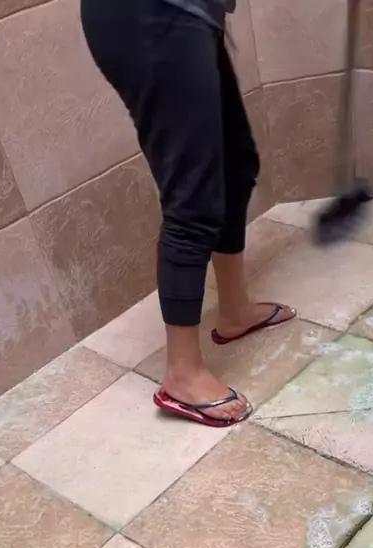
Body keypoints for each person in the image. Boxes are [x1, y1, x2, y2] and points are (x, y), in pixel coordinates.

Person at [80, 0, 296, 427]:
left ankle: (234, 309)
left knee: (236, 166)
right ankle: (182, 373)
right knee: (193, 196)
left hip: (189, 11)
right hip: (153, 12)